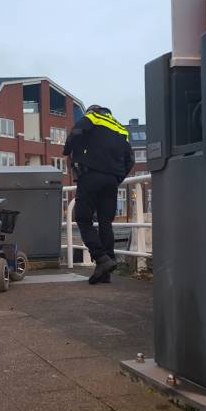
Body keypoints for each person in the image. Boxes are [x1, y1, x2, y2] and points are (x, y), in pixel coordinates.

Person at [63, 105, 134, 284]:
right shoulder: (120, 128)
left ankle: (101, 259)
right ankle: (105, 271)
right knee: (105, 223)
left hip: (91, 176)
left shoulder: (92, 117)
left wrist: (67, 152)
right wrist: (118, 177)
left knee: (83, 219)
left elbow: (76, 132)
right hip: (111, 180)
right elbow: (131, 159)